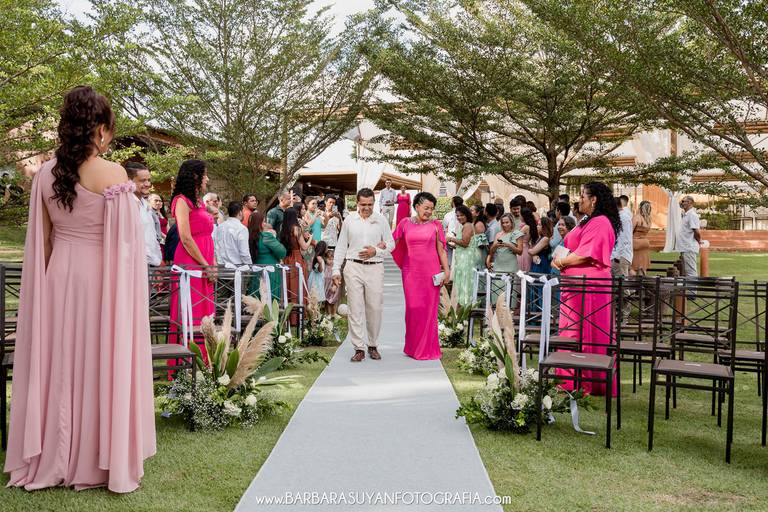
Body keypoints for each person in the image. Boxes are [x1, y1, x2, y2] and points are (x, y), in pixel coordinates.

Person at [5, 85, 155, 492]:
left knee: (59, 365)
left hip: (58, 276)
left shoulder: (45, 174)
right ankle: (94, 457)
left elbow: (43, 241)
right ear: (101, 129)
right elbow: (126, 247)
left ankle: (54, 454)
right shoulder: (113, 174)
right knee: (97, 362)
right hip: (100, 280)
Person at [552, 182, 620, 396]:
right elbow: (572, 245)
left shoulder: (601, 222)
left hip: (590, 287)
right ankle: (568, 378)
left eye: (582, 196)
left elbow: (586, 253)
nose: (579, 199)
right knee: (572, 331)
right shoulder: (586, 220)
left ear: (594, 200)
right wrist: (559, 257)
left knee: (586, 332)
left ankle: (588, 380)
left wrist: (562, 262)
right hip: (575, 286)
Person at [332, 188, 395, 362]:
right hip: (353, 267)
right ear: (357, 203)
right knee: (355, 308)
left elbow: (391, 244)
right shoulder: (349, 221)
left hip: (375, 267)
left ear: (374, 203)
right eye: (363, 204)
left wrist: (376, 251)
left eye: (370, 204)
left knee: (374, 308)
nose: (367, 208)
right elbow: (341, 246)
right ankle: (358, 347)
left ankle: (373, 345)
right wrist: (336, 270)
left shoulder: (381, 220)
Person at [392, 192, 451, 360]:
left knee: (429, 310)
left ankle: (426, 349)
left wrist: (447, 271)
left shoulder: (436, 225)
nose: (429, 212)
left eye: (431, 209)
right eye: (426, 208)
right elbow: (391, 241)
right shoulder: (404, 223)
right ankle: (412, 347)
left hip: (430, 272)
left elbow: (441, 250)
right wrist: (377, 248)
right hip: (410, 272)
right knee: (413, 309)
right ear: (417, 206)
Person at [169, 159, 216, 362]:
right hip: (190, 261)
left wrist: (213, 264)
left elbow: (208, 235)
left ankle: (206, 360)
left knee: (205, 311)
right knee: (191, 310)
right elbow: (186, 238)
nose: (207, 179)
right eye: (205, 174)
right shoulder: (181, 201)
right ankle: (186, 361)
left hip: (205, 260)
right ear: (195, 176)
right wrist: (205, 265)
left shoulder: (199, 202)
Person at [126, 162, 162, 267]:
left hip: (152, 263)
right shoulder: (128, 204)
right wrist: (156, 262)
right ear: (129, 181)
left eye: (148, 180)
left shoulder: (145, 204)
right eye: (142, 180)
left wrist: (158, 259)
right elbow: (133, 241)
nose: (147, 184)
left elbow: (151, 236)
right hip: (137, 263)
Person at [280, 207, 312, 317]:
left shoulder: (283, 229)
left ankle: (288, 315)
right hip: (297, 259)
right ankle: (298, 316)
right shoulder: (297, 229)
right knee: (298, 286)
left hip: (287, 258)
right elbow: (304, 247)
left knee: (288, 286)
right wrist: (310, 238)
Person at [247, 210, 286, 300]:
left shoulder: (249, 236)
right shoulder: (266, 236)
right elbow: (282, 252)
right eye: (264, 221)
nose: (265, 224)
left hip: (256, 269)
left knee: (256, 298)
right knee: (269, 297)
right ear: (259, 224)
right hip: (270, 270)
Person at [486, 213, 523, 303]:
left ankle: (510, 308)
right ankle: (496, 307)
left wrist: (509, 245)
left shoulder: (517, 233)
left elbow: (520, 251)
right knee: (497, 288)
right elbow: (491, 251)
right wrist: (495, 245)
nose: (505, 224)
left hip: (510, 264)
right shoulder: (498, 235)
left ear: (511, 222)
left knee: (509, 289)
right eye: (503, 223)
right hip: (498, 264)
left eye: (507, 222)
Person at [446, 205, 477, 306]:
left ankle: (464, 305)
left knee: (464, 283)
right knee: (461, 282)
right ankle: (460, 305)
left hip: (466, 260)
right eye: (457, 216)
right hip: (462, 258)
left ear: (467, 215)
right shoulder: (464, 225)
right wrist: (452, 244)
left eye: (461, 215)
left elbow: (465, 243)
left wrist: (451, 239)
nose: (459, 217)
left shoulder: (467, 225)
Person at [214, 201, 252, 267]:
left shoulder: (220, 227)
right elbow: (244, 253)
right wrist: (250, 266)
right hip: (237, 268)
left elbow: (216, 248)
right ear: (240, 212)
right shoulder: (242, 229)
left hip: (221, 267)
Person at [676, 195, 701, 277]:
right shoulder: (685, 214)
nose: (681, 203)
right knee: (685, 272)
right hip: (684, 247)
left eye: (683, 201)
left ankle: (692, 286)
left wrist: (699, 241)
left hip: (689, 247)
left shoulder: (692, 215)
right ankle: (688, 285)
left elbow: (696, 231)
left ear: (690, 203)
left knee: (691, 272)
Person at [611, 196, 634, 278]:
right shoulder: (620, 217)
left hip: (621, 257)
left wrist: (617, 257)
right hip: (618, 256)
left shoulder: (624, 218)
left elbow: (624, 239)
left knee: (621, 283)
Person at [631, 200, 652, 275]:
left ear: (640, 207)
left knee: (632, 267)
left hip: (635, 243)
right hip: (645, 243)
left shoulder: (637, 217)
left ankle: (632, 282)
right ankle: (642, 281)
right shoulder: (648, 220)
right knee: (642, 266)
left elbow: (630, 231)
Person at [442, 195, 463, 264]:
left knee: (450, 258)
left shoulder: (448, 215)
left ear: (453, 203)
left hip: (450, 239)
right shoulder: (465, 214)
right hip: (461, 239)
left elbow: (444, 227)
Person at [517, 208, 537, 272]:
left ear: (523, 216)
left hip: (522, 249)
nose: (519, 216)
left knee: (521, 270)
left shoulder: (526, 227)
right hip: (526, 248)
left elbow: (515, 237)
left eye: (520, 214)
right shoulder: (530, 226)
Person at [323, 249, 340, 315]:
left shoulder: (335, 268)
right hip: (327, 286)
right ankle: (328, 314)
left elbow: (338, 277)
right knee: (327, 300)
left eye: (333, 259)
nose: (331, 261)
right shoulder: (324, 267)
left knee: (334, 300)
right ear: (325, 259)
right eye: (329, 259)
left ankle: (334, 313)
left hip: (334, 285)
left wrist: (335, 286)